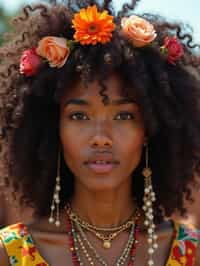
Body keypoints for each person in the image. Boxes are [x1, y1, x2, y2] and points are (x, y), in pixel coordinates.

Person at [0, 0, 199, 265]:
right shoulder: (9, 253)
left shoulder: (191, 253)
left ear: (150, 130)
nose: (101, 137)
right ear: (51, 129)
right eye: (79, 116)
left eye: (124, 115)